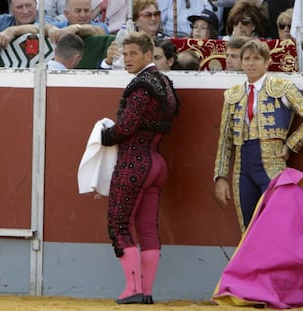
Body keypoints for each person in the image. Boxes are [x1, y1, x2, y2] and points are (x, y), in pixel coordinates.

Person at [101, 31, 180, 304]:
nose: (127, 58)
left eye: (133, 53)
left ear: (148, 54)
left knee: (119, 223)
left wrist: (103, 136)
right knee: (147, 227)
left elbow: (126, 127)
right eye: (125, 53)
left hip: (135, 162)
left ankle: (132, 288)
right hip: (156, 162)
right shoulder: (165, 83)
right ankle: (146, 292)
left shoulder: (142, 84)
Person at [213, 39, 303, 233]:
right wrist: (220, 176)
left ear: (267, 62)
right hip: (241, 170)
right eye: (246, 59)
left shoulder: (282, 87)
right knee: (248, 227)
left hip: (272, 166)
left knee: (278, 226)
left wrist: (290, 145)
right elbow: (225, 140)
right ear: (241, 62)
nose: (251, 63)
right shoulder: (232, 95)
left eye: (256, 59)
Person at [99, 0, 169, 69]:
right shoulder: (124, 39)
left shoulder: (166, 41)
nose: (153, 18)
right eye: (148, 15)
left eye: (156, 14)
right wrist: (108, 61)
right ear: (135, 20)